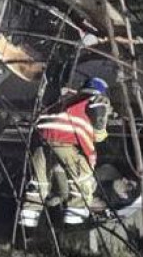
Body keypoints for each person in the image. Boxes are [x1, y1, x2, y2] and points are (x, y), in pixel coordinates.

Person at [19, 76, 113, 228]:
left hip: (42, 137)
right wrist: (102, 130)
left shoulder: (66, 97)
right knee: (82, 178)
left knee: (39, 181)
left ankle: (28, 219)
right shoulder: (96, 99)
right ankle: (75, 218)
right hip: (65, 139)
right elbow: (98, 129)